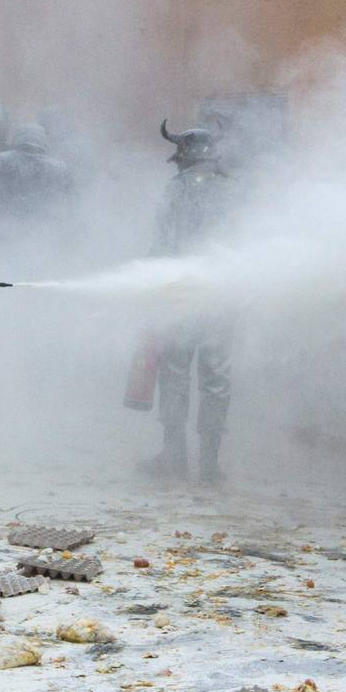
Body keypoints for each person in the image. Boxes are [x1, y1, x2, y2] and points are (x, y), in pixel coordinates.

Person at [140, 119, 236, 484]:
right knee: (216, 378)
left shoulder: (178, 188)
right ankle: (210, 465)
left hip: (181, 294)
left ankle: (174, 458)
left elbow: (164, 240)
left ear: (185, 154)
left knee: (176, 373)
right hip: (222, 294)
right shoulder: (232, 190)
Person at [0, 121, 75, 224]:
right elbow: (71, 200)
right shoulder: (59, 167)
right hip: (46, 226)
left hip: (5, 225)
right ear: (43, 139)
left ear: (17, 137)